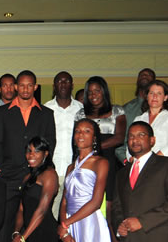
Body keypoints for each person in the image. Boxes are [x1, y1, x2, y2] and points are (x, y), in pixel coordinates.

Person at [0, 70, 56, 242]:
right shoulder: (3, 112)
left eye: (30, 85)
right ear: (16, 87)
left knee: (33, 219)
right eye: (22, 85)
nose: (26, 89)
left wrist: (41, 171)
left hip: (35, 176)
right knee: (5, 220)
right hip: (7, 176)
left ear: (35, 87)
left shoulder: (46, 114)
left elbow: (50, 144)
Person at [75, 76, 126, 222]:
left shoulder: (117, 110)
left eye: (97, 91)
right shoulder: (81, 113)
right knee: (85, 201)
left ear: (104, 91)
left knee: (107, 207)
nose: (93, 95)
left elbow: (119, 138)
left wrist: (94, 147)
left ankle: (107, 234)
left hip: (108, 160)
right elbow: (77, 139)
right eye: (90, 92)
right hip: (86, 161)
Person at [44, 72, 84, 217]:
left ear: (72, 85)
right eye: (59, 81)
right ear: (54, 86)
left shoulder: (81, 109)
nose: (63, 84)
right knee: (49, 214)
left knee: (72, 213)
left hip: (75, 169)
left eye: (66, 81)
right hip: (51, 169)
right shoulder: (45, 109)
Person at [134, 80, 168, 159]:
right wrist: (132, 158)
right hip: (140, 163)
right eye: (151, 93)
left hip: (164, 162)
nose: (155, 96)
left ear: (165, 97)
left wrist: (151, 161)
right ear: (147, 96)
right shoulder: (139, 119)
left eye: (159, 93)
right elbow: (131, 144)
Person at [118, 68, 156, 162]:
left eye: (149, 75)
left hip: (160, 160)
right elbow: (120, 141)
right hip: (133, 161)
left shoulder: (164, 110)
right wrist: (126, 160)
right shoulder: (126, 109)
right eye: (142, 75)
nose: (145, 76)